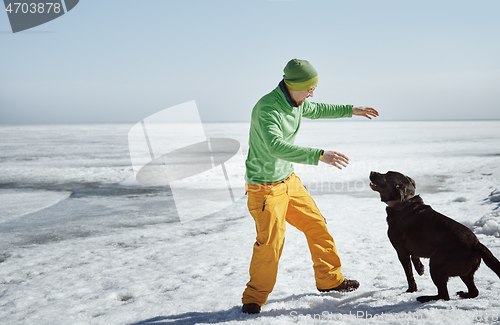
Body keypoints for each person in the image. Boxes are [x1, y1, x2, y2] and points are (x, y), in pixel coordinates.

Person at [241, 59, 379, 314]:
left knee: (317, 225)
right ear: (293, 85)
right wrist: (319, 155)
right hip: (264, 188)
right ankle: (254, 297)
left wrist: (352, 110)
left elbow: (319, 109)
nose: (312, 93)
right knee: (270, 243)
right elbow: (275, 146)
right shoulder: (268, 109)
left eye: (314, 87)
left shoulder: (297, 102)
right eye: (309, 88)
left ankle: (329, 280)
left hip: (289, 182)